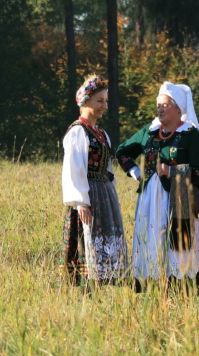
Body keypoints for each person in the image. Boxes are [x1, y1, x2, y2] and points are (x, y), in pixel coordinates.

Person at [115, 82, 199, 295]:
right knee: (150, 240)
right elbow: (122, 151)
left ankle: (179, 291)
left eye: (165, 105)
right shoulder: (149, 132)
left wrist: (173, 171)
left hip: (179, 201)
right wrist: (135, 171)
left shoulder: (191, 135)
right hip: (149, 201)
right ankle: (152, 290)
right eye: (158, 105)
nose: (160, 109)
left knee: (178, 246)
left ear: (179, 109)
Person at [61, 75, 129, 290]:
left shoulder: (102, 134)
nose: (104, 106)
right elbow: (73, 168)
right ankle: (84, 287)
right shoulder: (77, 132)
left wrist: (111, 195)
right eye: (100, 101)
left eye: (106, 101)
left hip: (105, 196)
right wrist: (81, 202)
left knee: (106, 240)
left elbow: (107, 168)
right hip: (88, 196)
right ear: (86, 101)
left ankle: (105, 283)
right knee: (86, 238)